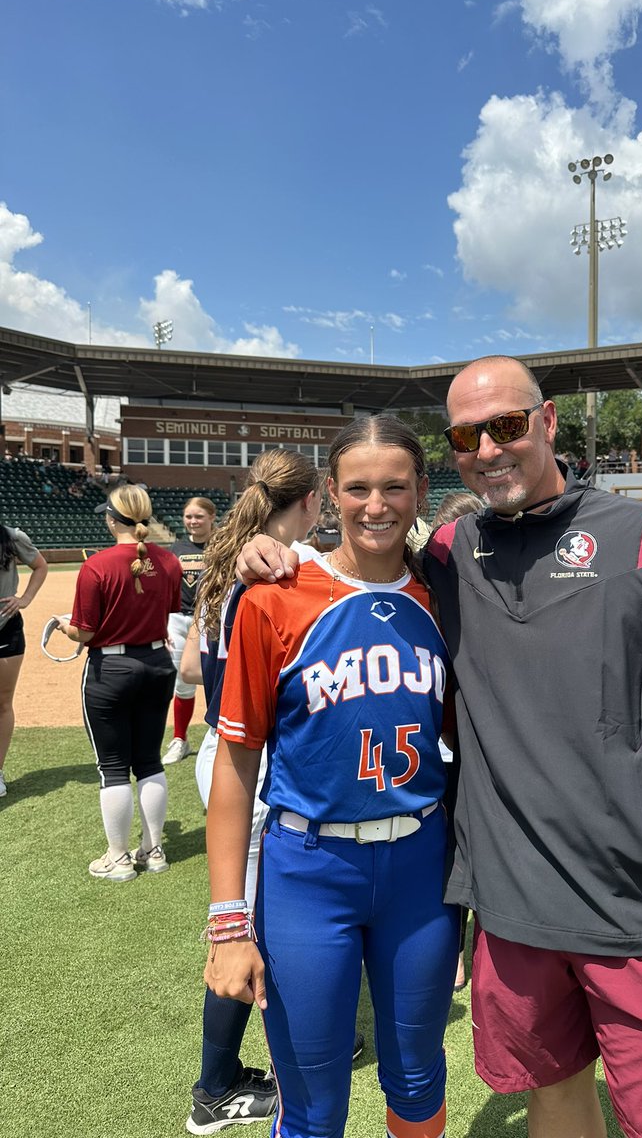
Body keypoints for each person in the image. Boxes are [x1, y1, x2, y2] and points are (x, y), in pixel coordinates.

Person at [238, 357, 642, 1138]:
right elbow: (365, 579)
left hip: (641, 905)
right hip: (513, 911)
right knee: (553, 1095)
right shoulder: (450, 556)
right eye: (466, 435)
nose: (489, 448)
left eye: (508, 425)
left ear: (548, 423)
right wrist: (285, 557)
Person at [206, 416, 459, 1138]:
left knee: (417, 1075)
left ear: (420, 492)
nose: (375, 505)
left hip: (420, 865)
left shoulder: (446, 597)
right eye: (357, 488)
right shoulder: (274, 594)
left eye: (394, 487)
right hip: (309, 869)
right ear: (329, 493)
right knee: (315, 1102)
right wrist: (228, 922)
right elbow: (236, 761)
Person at [181, 451, 323, 1133]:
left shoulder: (227, 562)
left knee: (262, 917)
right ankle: (215, 1086)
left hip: (222, 749)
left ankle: (299, 1033)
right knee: (248, 927)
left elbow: (188, 666)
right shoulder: (277, 569)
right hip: (253, 762)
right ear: (314, 502)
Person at [54, 485, 182, 881]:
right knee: (148, 760)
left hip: (112, 669)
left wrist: (63, 626)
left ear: (112, 519)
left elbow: (86, 634)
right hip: (158, 663)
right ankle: (154, 850)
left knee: (112, 768)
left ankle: (118, 858)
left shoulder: (98, 566)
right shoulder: (169, 561)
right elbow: (167, 611)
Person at [429, 489, 481, 994]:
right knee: (449, 857)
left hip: (464, 748)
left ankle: (461, 957)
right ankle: (458, 956)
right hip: (449, 748)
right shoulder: (426, 589)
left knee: (455, 857)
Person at [163, 496, 217, 765]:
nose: (193, 521)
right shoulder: (176, 548)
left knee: (216, 677)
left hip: (210, 619)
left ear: (211, 518)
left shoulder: (222, 545)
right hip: (178, 619)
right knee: (182, 684)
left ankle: (220, 731)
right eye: (188, 517)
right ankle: (180, 738)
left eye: (199, 517)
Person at [0, 521, 48, 798]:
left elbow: (40, 565)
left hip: (6, 628)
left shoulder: (12, 536)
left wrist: (25, 598)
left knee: (2, 702)